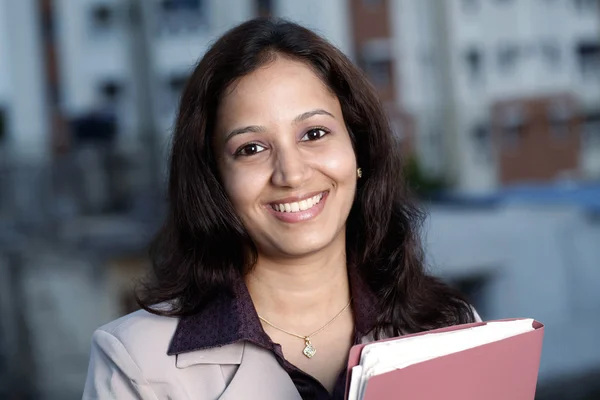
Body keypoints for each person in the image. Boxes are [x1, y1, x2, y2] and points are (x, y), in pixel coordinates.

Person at [82, 17, 480, 400]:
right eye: (251, 148)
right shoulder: (134, 363)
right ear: (214, 177)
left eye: (314, 133)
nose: (290, 174)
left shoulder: (451, 327)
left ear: (358, 148)